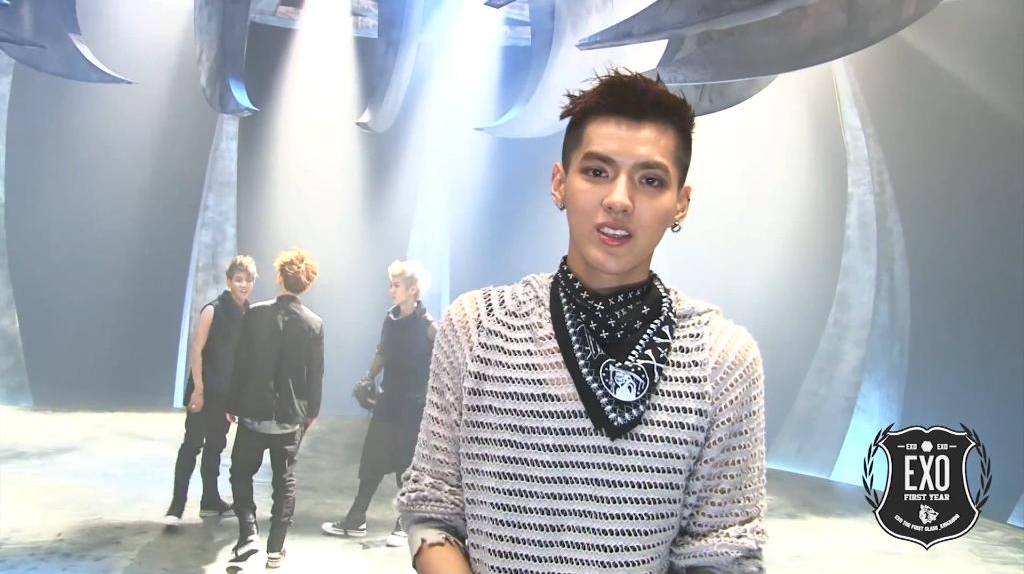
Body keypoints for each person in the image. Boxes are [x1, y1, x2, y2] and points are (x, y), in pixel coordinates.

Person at [396, 70, 767, 574]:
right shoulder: (478, 327)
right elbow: (433, 513)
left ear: (680, 203)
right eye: (596, 171)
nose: (619, 199)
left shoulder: (722, 358)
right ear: (560, 183)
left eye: (651, 180)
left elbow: (724, 552)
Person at [322, 260, 437, 548]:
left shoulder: (429, 326)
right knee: (372, 458)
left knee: (407, 465)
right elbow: (382, 351)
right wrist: (368, 377)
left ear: (413, 289)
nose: (391, 290)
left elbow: (439, 366)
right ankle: (356, 518)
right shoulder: (391, 319)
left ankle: (404, 522)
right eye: (391, 284)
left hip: (413, 406)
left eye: (397, 285)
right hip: (388, 401)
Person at [224, 248, 324, 570]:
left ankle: (248, 533)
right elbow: (315, 374)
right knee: (284, 482)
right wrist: (311, 411)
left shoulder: (255, 314)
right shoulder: (314, 324)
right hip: (289, 417)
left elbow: (241, 362)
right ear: (307, 284)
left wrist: (232, 402)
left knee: (241, 473)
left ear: (279, 278)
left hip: (253, 410)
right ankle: (276, 550)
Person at [164, 256, 257, 526]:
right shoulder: (213, 310)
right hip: (204, 391)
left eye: (248, 280)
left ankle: (210, 501)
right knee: (192, 444)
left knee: (216, 446)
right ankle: (176, 507)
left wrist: (238, 399)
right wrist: (199, 389)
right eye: (238, 279)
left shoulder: (249, 314)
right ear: (229, 281)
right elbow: (197, 349)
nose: (243, 285)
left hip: (226, 396)